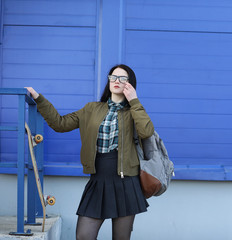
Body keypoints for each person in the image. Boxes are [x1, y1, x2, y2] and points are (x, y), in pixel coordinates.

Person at [26, 64, 154, 240]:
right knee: (84, 235)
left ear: (130, 84)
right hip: (98, 180)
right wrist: (39, 98)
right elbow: (60, 124)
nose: (117, 81)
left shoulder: (134, 111)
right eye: (113, 77)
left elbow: (146, 132)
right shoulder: (91, 109)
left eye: (122, 78)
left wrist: (134, 101)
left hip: (126, 183)